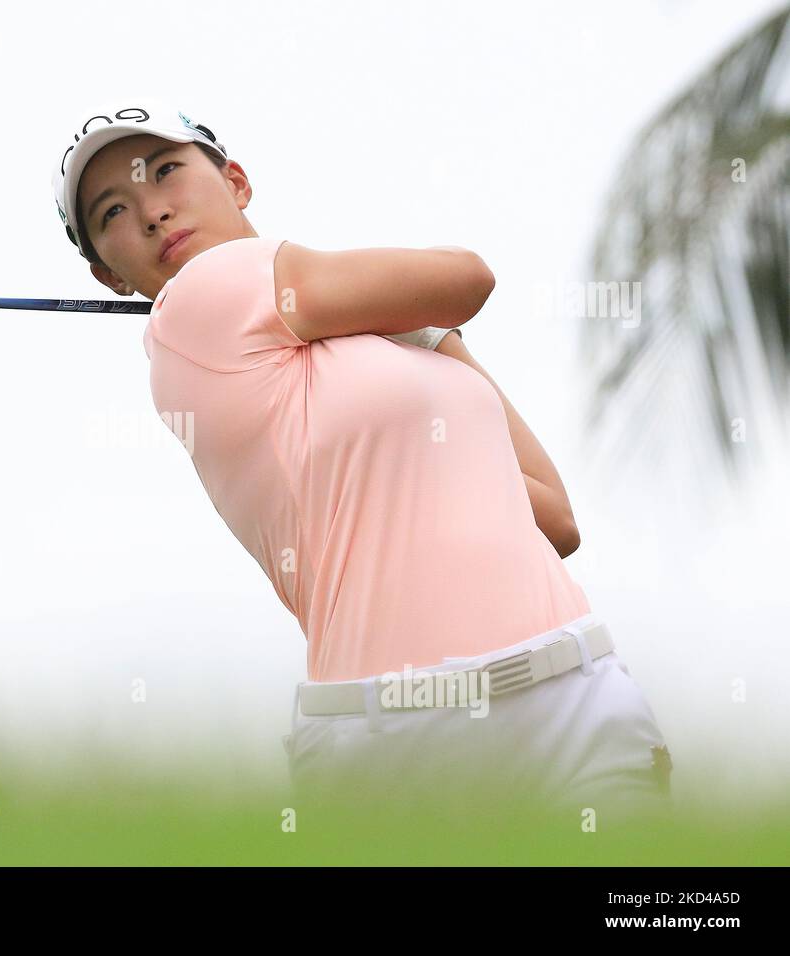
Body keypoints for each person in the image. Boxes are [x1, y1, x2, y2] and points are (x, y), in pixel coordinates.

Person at [49, 97, 674, 824]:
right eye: (113, 214)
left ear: (238, 182)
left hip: (573, 686)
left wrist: (416, 341)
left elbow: (553, 517)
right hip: (395, 738)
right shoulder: (196, 306)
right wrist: (416, 322)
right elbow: (467, 276)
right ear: (109, 278)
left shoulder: (377, 339)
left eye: (164, 171)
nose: (152, 211)